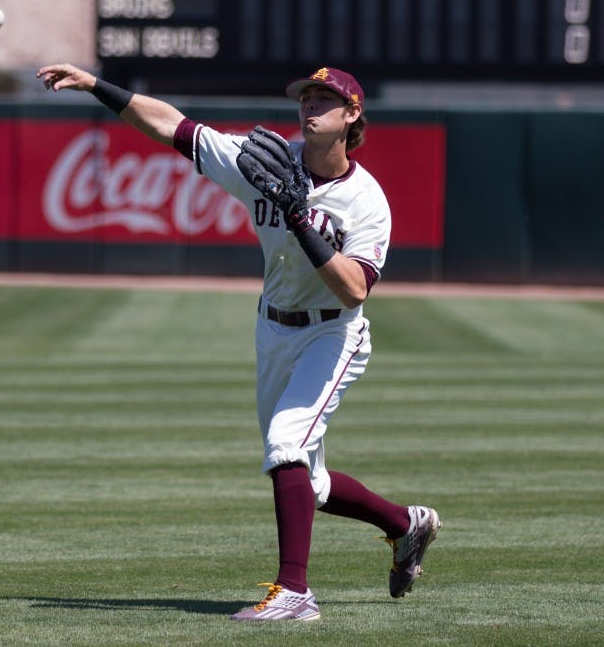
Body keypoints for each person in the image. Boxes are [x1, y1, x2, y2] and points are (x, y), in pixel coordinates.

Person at [36, 62, 441, 622]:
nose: (310, 107)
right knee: (311, 483)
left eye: (325, 100)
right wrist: (95, 86)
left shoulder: (367, 200)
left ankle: (294, 594)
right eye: (306, 97)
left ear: (352, 116)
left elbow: (353, 290)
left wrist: (300, 218)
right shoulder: (266, 166)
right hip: (272, 329)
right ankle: (406, 525)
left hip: (332, 332)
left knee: (285, 444)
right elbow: (173, 126)